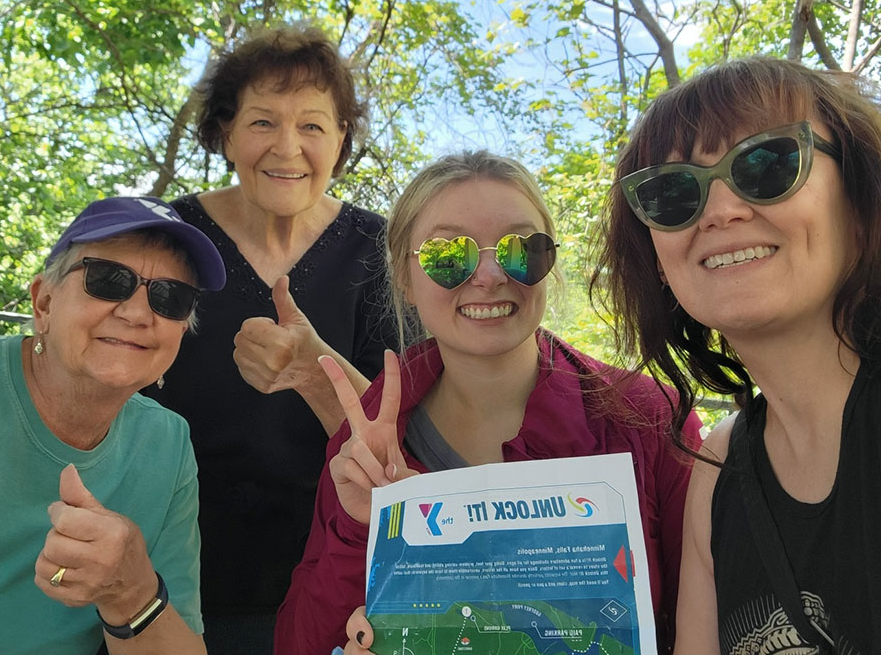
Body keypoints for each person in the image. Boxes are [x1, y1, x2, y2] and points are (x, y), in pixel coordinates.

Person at [278, 150, 703, 655]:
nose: (489, 275)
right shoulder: (368, 439)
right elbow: (300, 643)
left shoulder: (648, 416)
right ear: (404, 278)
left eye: (521, 250)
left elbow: (709, 622)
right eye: (448, 255)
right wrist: (359, 528)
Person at [594, 57, 881, 653]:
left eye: (767, 164)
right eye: (672, 193)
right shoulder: (718, 464)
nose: (721, 211)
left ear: (859, 201)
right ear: (661, 265)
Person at [143, 25, 400, 651]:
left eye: (313, 125)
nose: (288, 147)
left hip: (334, 583)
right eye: (262, 122)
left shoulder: (381, 251)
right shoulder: (169, 237)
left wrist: (316, 371)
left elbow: (401, 433)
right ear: (225, 132)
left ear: (341, 140)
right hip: (165, 576)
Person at [0, 196, 226, 654]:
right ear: (43, 302)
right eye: (108, 281)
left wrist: (131, 594)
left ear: (182, 330)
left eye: (171, 297)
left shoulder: (167, 444)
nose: (139, 313)